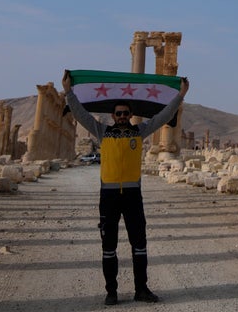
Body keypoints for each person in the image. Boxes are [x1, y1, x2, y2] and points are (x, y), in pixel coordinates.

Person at [63, 70, 189, 306]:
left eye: (125, 113)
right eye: (118, 113)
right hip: (108, 197)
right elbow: (80, 115)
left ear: (131, 115)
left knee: (139, 245)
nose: (122, 116)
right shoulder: (103, 132)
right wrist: (69, 92)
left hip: (132, 196)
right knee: (108, 247)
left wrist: (180, 96)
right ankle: (111, 292)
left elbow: (163, 117)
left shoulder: (139, 132)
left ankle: (141, 289)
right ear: (113, 115)